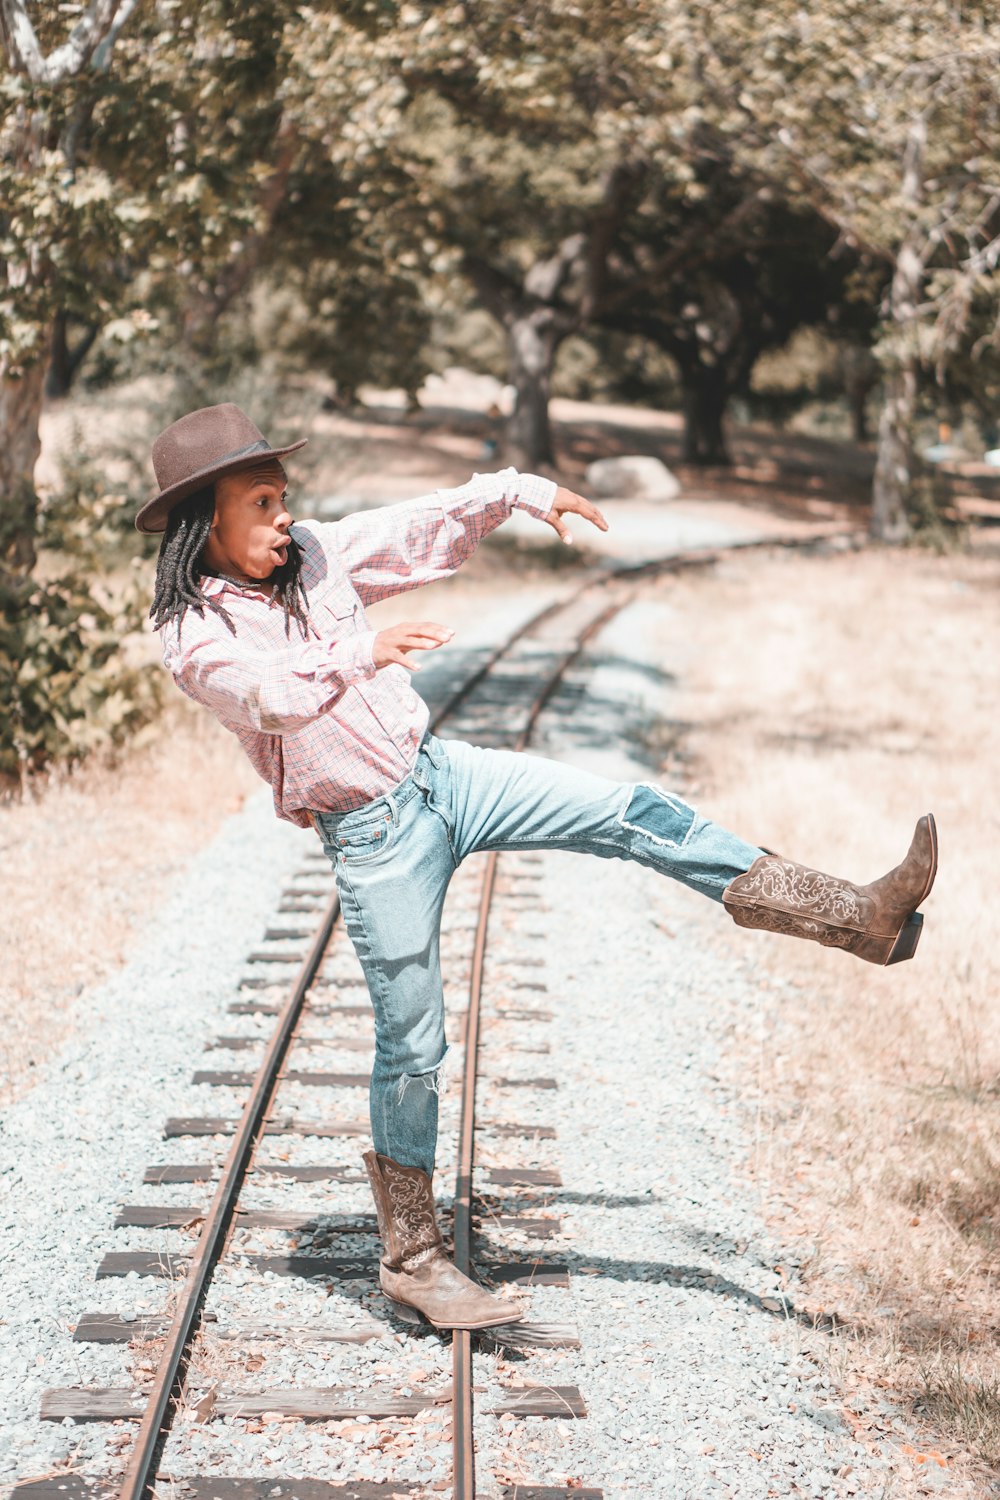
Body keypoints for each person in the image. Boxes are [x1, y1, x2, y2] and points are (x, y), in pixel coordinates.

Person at [141, 403, 938, 1332]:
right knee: (414, 1046)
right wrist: (359, 650)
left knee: (629, 810)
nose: (286, 518)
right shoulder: (193, 632)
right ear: (207, 517)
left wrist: (516, 491)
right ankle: (414, 1258)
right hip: (373, 838)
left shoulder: (313, 555)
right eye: (265, 503)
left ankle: (857, 916)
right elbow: (265, 698)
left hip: (446, 779)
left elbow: (414, 527)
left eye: (285, 499)